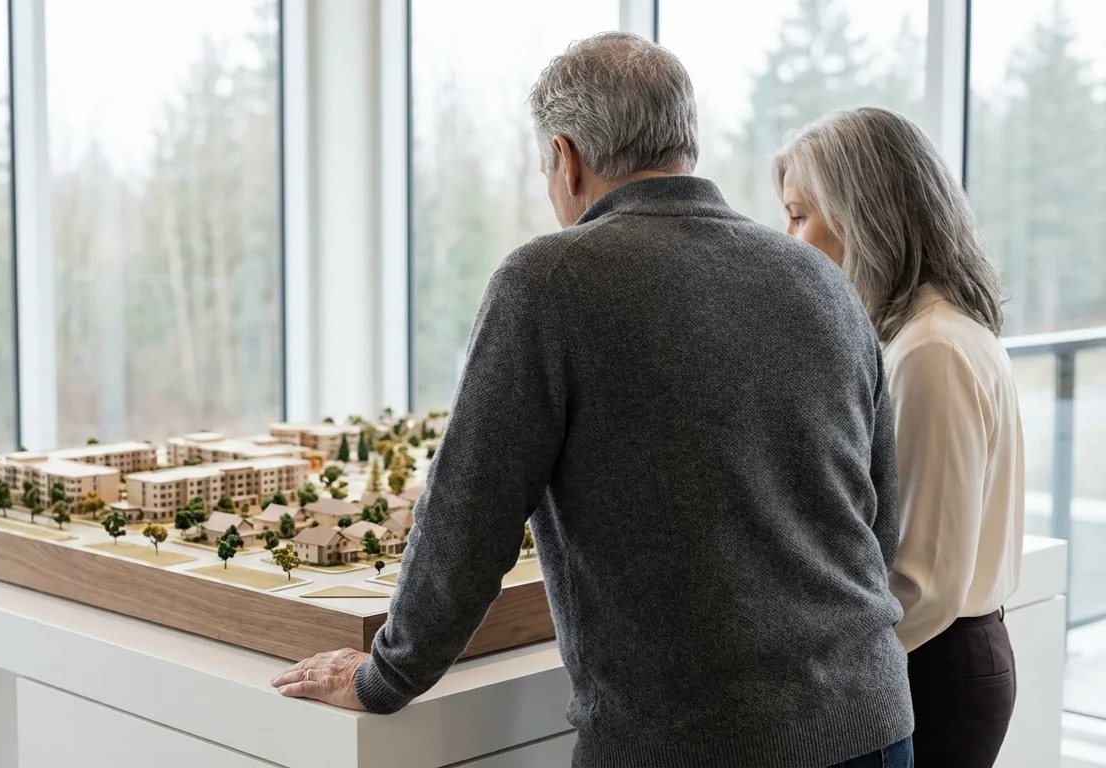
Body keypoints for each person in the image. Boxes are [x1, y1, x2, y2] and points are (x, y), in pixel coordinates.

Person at [271, 33, 914, 767]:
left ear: (566, 157)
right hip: (873, 720)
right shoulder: (821, 280)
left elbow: (468, 515)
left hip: (695, 743)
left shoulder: (549, 280)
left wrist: (387, 674)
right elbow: (876, 519)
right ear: (684, 144)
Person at [774, 106, 1024, 768]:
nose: (787, 240)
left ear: (861, 217)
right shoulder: (933, 332)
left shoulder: (930, 349)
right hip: (943, 655)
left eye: (798, 216)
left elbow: (926, 579)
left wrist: (825, 676)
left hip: (932, 663)